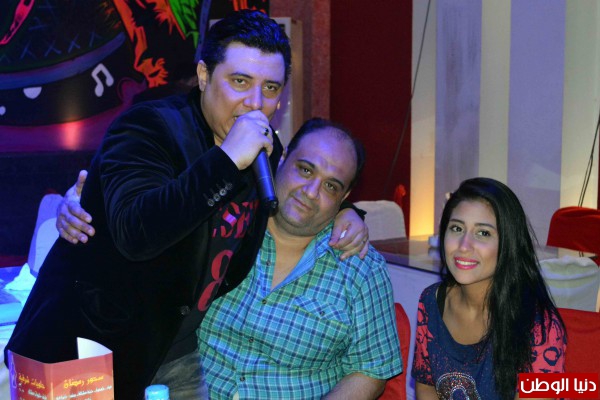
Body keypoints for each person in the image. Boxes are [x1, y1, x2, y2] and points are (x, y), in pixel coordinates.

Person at [5, 10, 367, 400]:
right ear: (204, 76)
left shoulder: (265, 149)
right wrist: (226, 160)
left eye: (271, 88)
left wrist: (350, 212)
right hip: (84, 348)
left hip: (174, 349)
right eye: (240, 81)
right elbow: (137, 234)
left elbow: (300, 193)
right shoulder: (149, 128)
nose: (255, 103)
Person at [198, 118, 403, 399]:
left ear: (345, 196)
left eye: (331, 186)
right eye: (305, 170)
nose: (310, 192)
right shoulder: (226, 226)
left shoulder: (362, 269)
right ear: (282, 158)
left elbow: (371, 370)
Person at [411, 177, 566, 400]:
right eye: (457, 228)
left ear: (508, 244)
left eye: (483, 233)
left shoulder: (540, 325)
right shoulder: (431, 301)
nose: (464, 246)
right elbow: (426, 386)